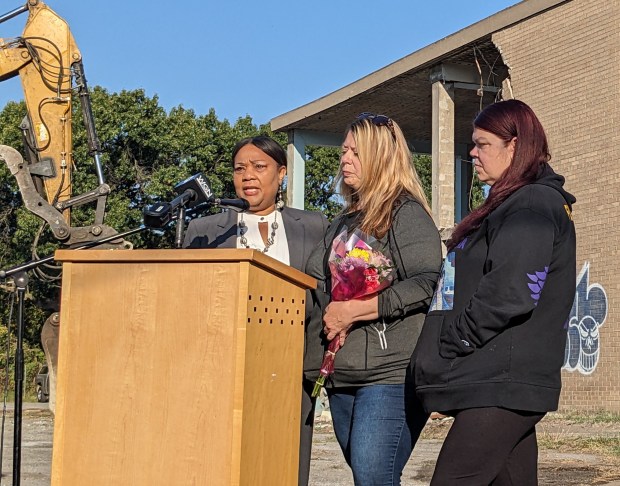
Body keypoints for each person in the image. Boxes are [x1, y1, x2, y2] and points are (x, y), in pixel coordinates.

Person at [413, 99, 577, 485]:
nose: (472, 152)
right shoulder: (510, 203)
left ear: (515, 146)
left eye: (482, 143)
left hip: (502, 382)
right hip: (500, 379)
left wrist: (454, 341)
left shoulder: (532, 204)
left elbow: (512, 291)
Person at [304, 113, 442, 485]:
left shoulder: (405, 213)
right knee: (371, 477)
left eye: (356, 152)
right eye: (345, 151)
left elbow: (429, 281)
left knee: (373, 477)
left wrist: (356, 310)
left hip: (390, 374)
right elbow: (314, 285)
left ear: (380, 157)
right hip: (341, 376)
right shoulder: (343, 221)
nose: (345, 158)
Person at [183, 135, 328, 486]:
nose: (248, 175)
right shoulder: (205, 231)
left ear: (281, 174)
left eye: (259, 167)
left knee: (285, 463)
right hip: (222, 369)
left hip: (293, 368)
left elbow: (325, 295)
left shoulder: (314, 226)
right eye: (240, 169)